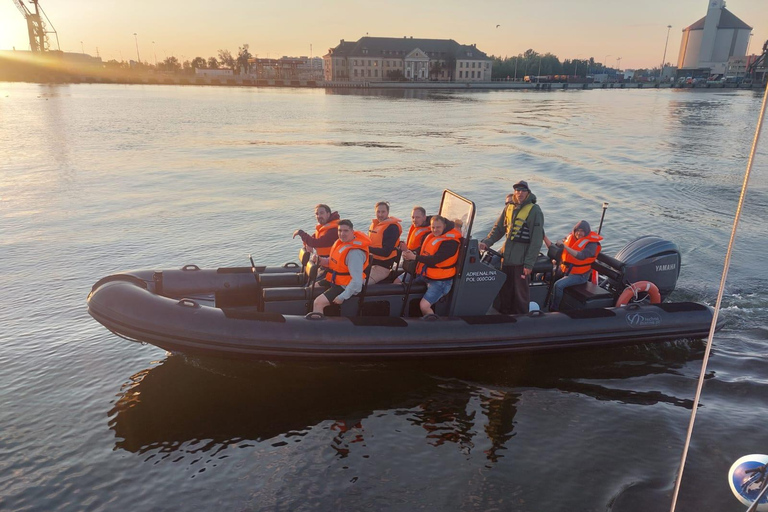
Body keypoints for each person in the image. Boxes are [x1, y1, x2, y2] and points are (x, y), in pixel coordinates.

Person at [478, 180, 545, 314]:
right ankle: (505, 318)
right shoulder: (509, 208)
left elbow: (537, 240)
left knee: (520, 294)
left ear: (528, 193)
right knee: (506, 291)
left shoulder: (534, 211)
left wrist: (529, 264)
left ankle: (522, 322)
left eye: (523, 191)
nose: (520, 193)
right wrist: (486, 242)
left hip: (521, 260)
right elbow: (498, 229)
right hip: (506, 258)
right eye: (517, 190)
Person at [401, 215, 462, 316]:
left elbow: (435, 260)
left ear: (445, 226)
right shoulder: (432, 236)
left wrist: (414, 258)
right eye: (433, 227)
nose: (435, 230)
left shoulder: (451, 243)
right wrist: (408, 252)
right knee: (401, 283)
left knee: (424, 306)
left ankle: (434, 326)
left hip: (441, 281)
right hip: (426, 274)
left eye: (438, 227)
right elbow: (423, 252)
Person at [313, 219, 370, 314]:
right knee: (313, 287)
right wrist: (321, 260)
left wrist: (342, 296)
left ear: (352, 232)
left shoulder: (355, 253)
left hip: (345, 285)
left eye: (346, 231)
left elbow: (357, 281)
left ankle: (318, 326)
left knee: (318, 303)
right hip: (335, 279)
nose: (342, 234)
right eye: (340, 230)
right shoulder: (342, 243)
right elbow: (333, 262)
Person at [544, 220, 602, 311]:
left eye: (582, 231)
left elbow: (581, 256)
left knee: (558, 285)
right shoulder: (570, 238)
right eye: (577, 230)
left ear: (587, 232)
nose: (579, 233)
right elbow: (555, 249)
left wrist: (565, 247)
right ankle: (545, 300)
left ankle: (554, 308)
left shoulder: (592, 244)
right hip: (566, 270)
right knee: (542, 275)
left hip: (580, 275)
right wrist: (544, 237)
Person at [393, 206, 431, 284]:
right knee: (392, 270)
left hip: (416, 266)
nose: (414, 220)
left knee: (396, 282)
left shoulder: (427, 234)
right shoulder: (416, 227)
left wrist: (406, 250)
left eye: (417, 217)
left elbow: (421, 253)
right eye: (413, 217)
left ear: (424, 217)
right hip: (408, 260)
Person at [367, 201, 402, 284]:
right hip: (370, 263)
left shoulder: (392, 228)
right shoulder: (375, 225)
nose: (380, 215)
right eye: (378, 212)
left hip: (382, 266)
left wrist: (367, 248)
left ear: (388, 213)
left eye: (383, 212)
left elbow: (386, 252)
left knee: (360, 284)